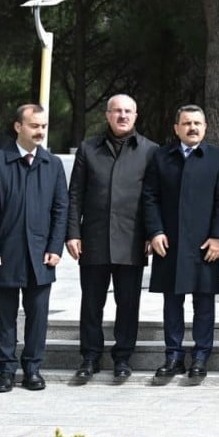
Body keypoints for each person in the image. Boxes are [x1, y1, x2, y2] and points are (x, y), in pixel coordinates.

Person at [0, 104, 68, 393]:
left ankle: (32, 369)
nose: (40, 131)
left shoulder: (52, 164)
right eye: (34, 126)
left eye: (43, 126)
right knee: (5, 316)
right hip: (4, 253)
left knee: (38, 315)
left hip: (41, 255)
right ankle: (5, 371)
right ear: (18, 127)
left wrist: (56, 247)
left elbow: (60, 209)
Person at [65, 94, 158, 381]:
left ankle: (123, 357)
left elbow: (153, 197)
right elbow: (75, 195)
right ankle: (90, 357)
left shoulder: (149, 150)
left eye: (128, 111)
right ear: (107, 115)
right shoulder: (88, 148)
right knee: (91, 302)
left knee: (128, 303)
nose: (122, 116)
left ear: (136, 115)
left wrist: (151, 232)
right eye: (117, 111)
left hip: (132, 239)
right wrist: (72, 233)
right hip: (94, 238)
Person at [141, 104, 219, 380]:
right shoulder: (161, 157)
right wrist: (155, 231)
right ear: (176, 128)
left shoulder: (217, 157)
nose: (192, 128)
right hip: (170, 241)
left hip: (205, 243)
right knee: (172, 301)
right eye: (187, 123)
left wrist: (218, 237)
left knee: (204, 302)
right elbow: (150, 196)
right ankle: (174, 355)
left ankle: (201, 356)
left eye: (197, 123)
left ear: (205, 128)